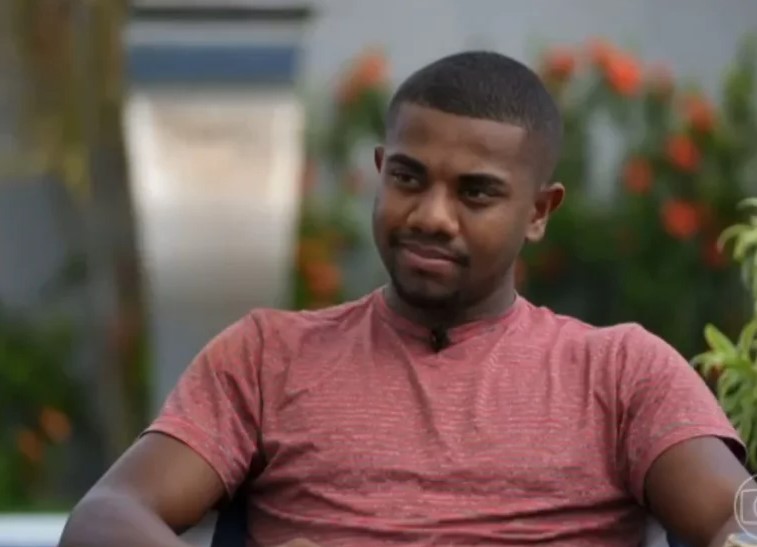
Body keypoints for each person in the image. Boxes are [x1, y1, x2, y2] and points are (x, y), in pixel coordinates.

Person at [59, 51, 752, 547]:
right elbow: (105, 515)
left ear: (539, 211)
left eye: (475, 192)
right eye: (408, 178)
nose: (431, 216)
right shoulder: (267, 355)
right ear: (379, 170)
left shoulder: (620, 371)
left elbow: (737, 522)